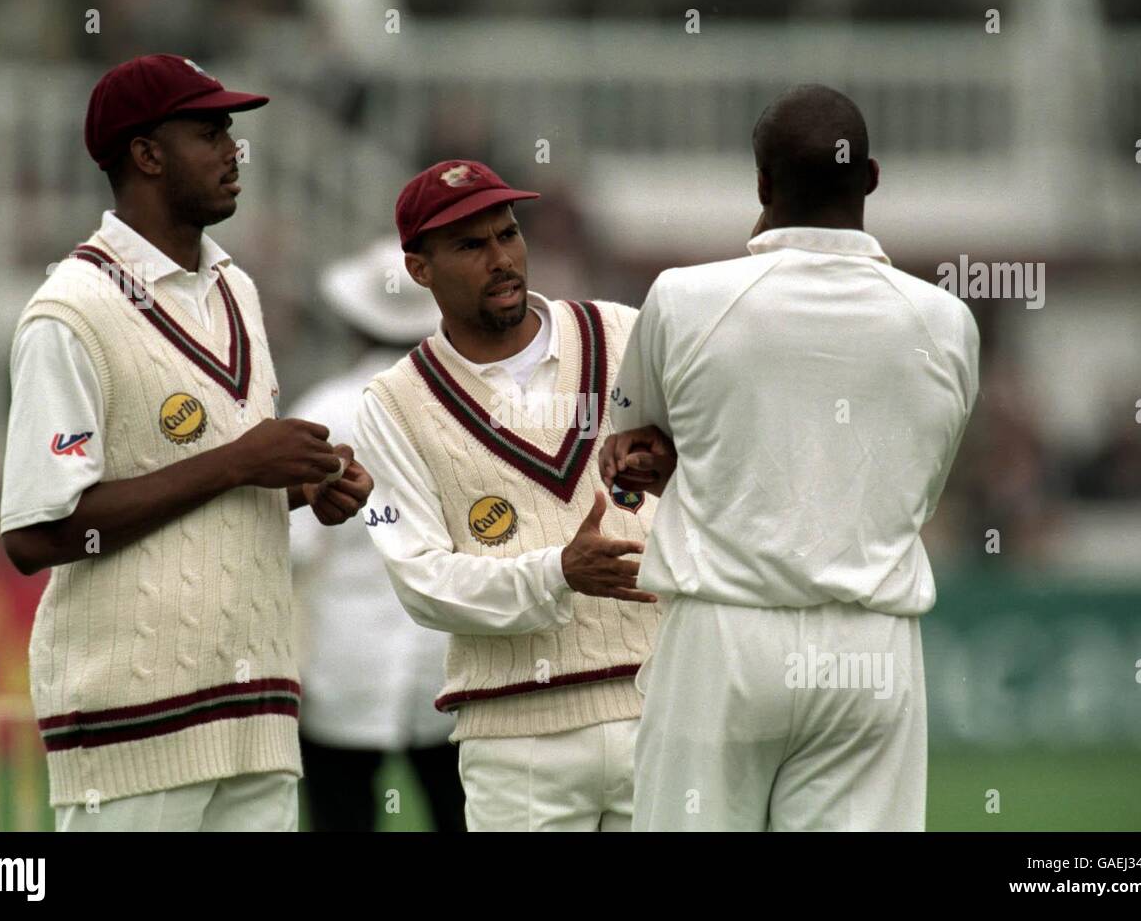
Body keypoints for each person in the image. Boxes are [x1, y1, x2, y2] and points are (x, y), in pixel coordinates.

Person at [0, 54, 372, 831]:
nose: (235, 149)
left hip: (258, 716)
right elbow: (36, 533)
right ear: (146, 153)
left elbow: (212, 481)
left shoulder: (237, 288)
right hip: (133, 723)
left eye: (231, 131)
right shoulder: (69, 312)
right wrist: (243, 461)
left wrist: (300, 485)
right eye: (210, 132)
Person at [603, 84, 980, 831]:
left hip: (725, 638)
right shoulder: (947, 321)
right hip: (872, 647)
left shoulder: (683, 297)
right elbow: (920, 485)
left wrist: (685, 460)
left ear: (762, 186)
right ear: (871, 178)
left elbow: (636, 443)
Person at [354, 160, 660, 831]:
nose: (501, 259)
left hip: (660, 708)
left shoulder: (623, 332)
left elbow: (716, 469)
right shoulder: (391, 404)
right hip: (514, 740)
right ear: (419, 268)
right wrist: (557, 572)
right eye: (470, 245)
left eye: (508, 233)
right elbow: (423, 582)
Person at [291, 239, 464, 831]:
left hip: (342, 667)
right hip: (446, 665)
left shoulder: (323, 410)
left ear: (355, 322)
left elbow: (291, 549)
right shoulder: (467, 411)